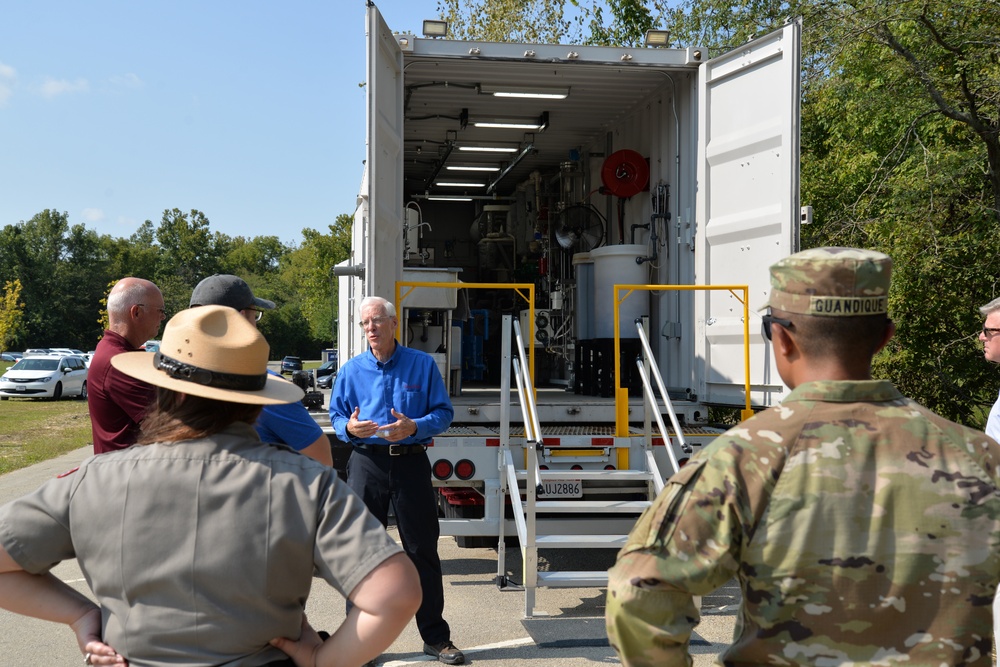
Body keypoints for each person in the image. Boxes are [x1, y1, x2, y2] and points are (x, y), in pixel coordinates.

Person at [605, 247, 1000, 666]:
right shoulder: (978, 456)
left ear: (781, 338)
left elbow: (637, 591)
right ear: (885, 336)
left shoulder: (742, 457)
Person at [0, 305, 421, 667]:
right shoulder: (306, 483)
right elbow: (396, 594)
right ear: (257, 404)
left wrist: (79, 616)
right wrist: (322, 659)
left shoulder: (95, 479)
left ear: (168, 393)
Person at [329, 296, 463, 666]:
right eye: (364, 324)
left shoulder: (421, 365)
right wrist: (349, 428)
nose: (370, 328)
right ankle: (358, 642)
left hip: (410, 465)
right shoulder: (351, 370)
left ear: (392, 324)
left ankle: (436, 638)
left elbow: (444, 413)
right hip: (366, 465)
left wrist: (415, 426)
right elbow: (337, 415)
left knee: (422, 551)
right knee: (361, 556)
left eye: (376, 321)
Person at [190, 273, 333, 466]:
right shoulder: (268, 390)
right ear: (241, 318)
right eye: (255, 313)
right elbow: (322, 462)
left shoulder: (171, 385)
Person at [88, 277, 166, 454]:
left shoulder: (113, 351)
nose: (163, 316)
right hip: (125, 476)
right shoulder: (118, 362)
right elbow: (168, 421)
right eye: (160, 310)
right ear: (136, 312)